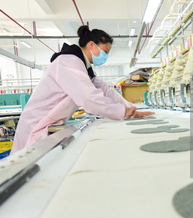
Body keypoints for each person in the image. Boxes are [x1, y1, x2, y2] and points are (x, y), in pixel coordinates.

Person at [11, 25, 154, 154]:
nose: (105, 57)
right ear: (92, 45)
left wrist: (130, 108)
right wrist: (121, 111)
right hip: (35, 123)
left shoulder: (83, 66)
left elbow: (105, 90)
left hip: (48, 121)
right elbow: (88, 98)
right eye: (105, 51)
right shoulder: (68, 62)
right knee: (22, 170)